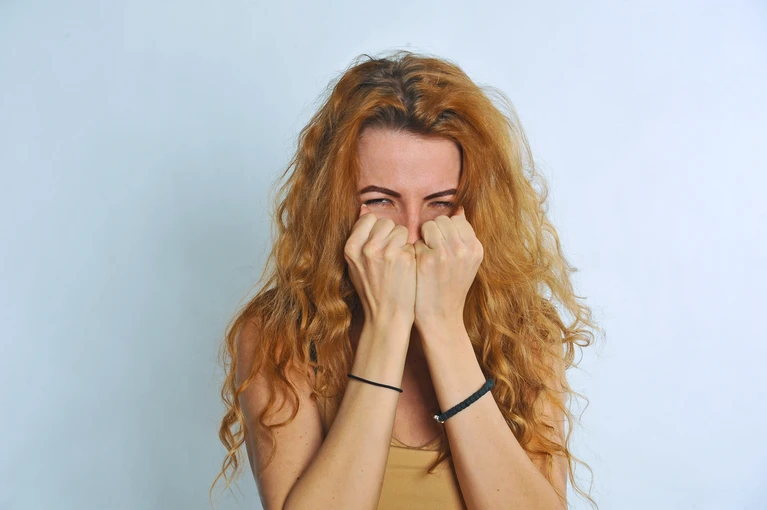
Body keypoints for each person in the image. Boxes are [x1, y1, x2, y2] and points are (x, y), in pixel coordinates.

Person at [211, 50, 602, 510]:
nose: (413, 234)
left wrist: (443, 325)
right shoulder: (280, 337)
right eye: (380, 201)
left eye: (440, 204)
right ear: (335, 206)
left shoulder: (523, 331)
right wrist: (387, 325)